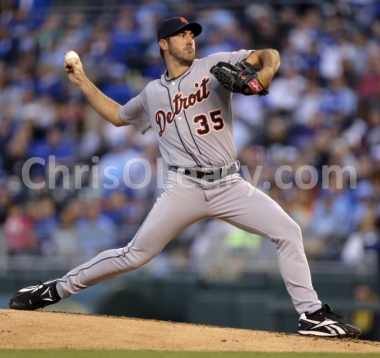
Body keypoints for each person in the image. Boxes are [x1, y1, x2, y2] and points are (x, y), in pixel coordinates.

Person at [9, 17, 361, 338]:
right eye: (181, 35)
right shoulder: (152, 93)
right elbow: (118, 116)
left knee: (288, 231)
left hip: (228, 183)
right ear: (164, 44)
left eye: (191, 34)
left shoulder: (214, 65)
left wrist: (264, 75)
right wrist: (83, 82)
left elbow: (269, 53)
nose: (189, 39)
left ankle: (311, 315)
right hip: (183, 187)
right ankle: (53, 290)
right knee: (134, 254)